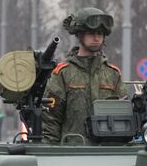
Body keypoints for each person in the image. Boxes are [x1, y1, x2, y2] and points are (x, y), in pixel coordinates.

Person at [40, 8, 125, 144]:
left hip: (107, 153)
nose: (96, 38)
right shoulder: (63, 73)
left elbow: (124, 115)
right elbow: (50, 119)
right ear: (80, 35)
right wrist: (51, 153)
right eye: (91, 33)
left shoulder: (113, 74)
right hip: (73, 153)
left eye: (100, 33)